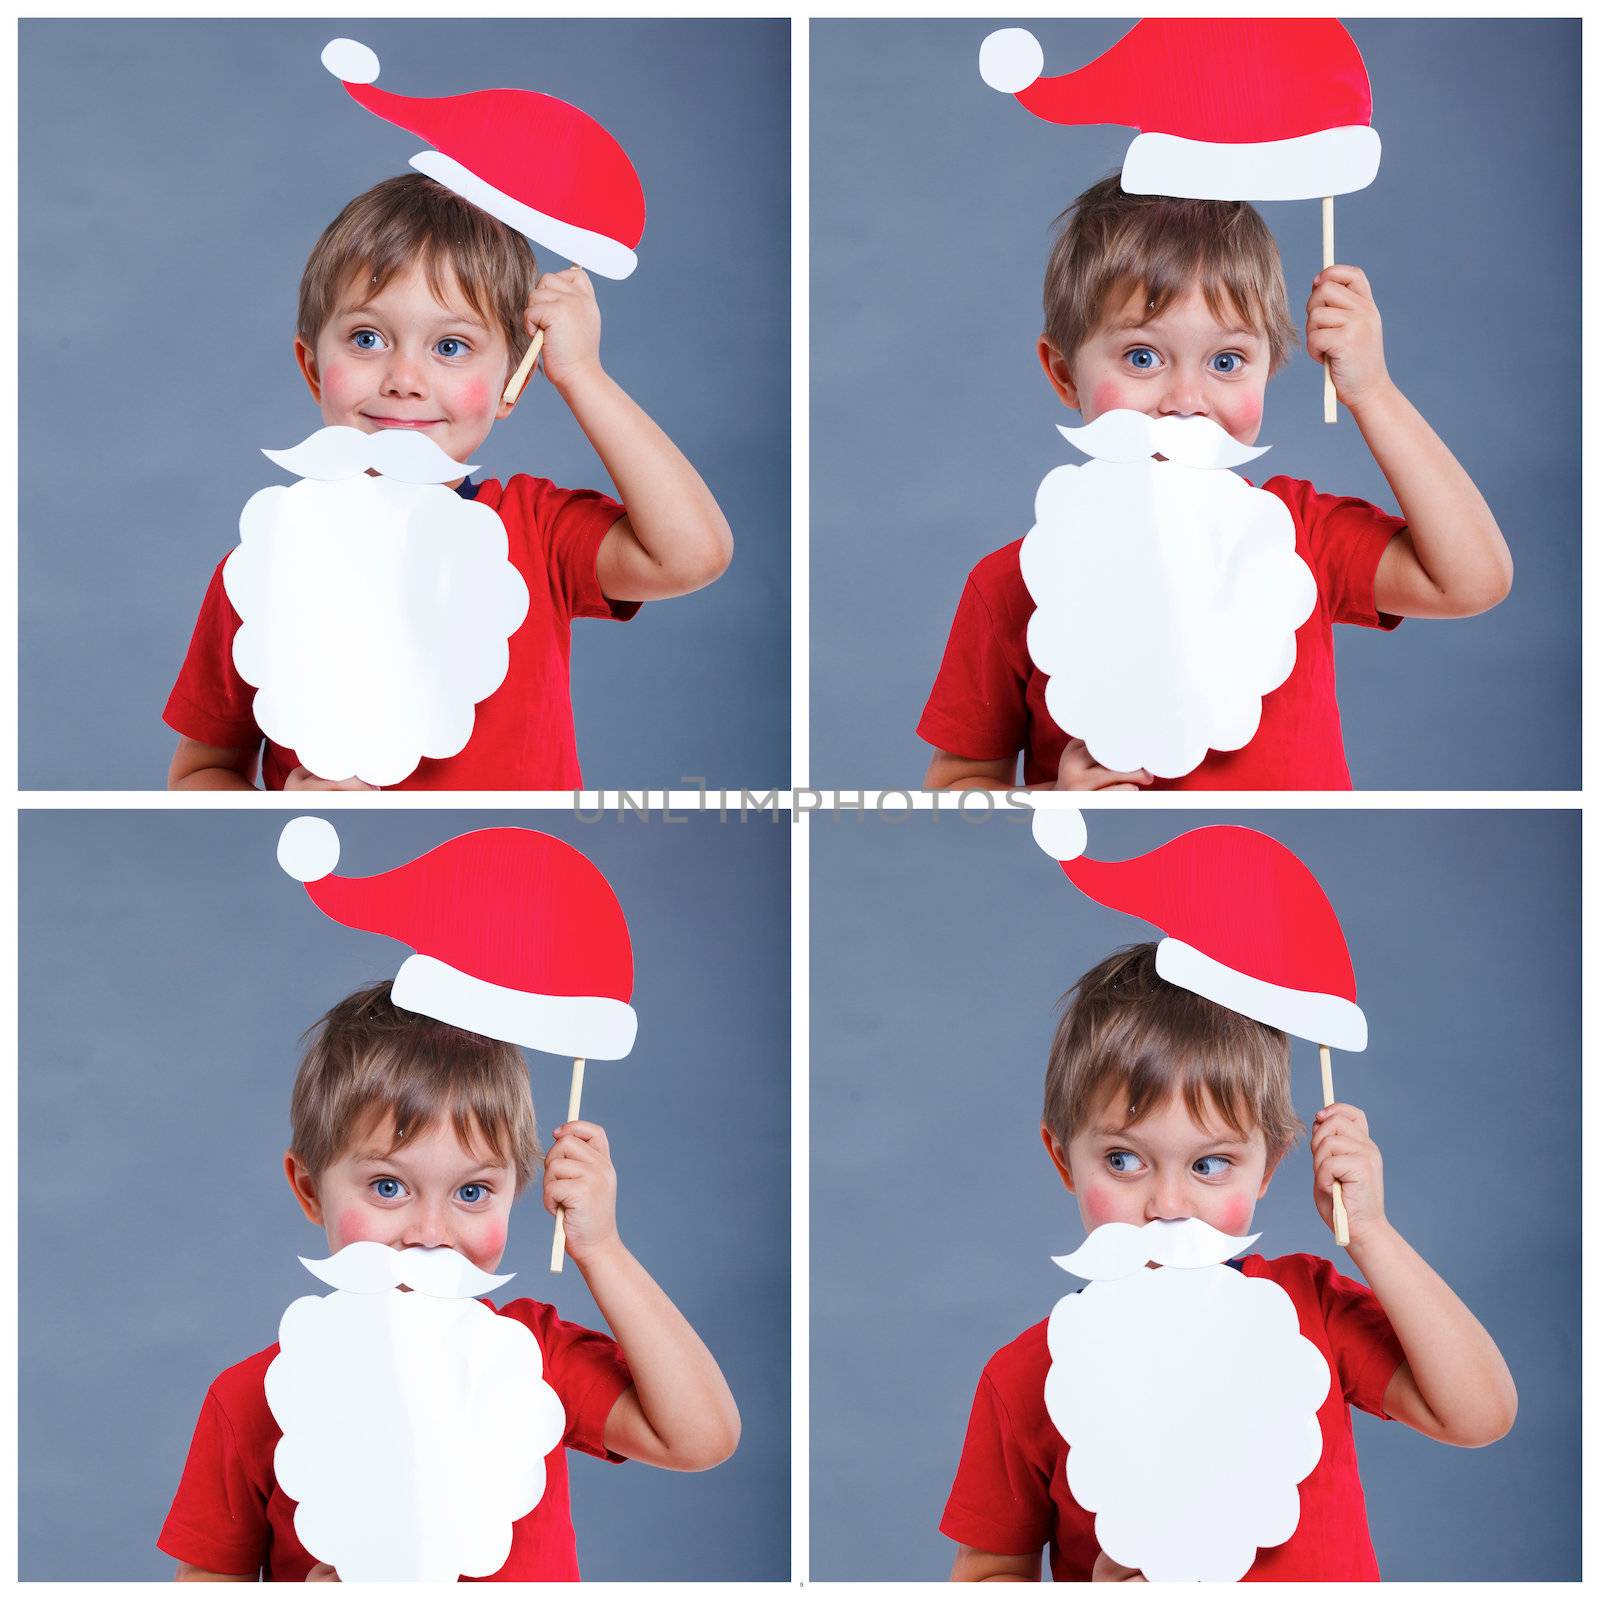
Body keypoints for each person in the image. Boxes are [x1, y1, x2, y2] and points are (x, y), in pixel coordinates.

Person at [941, 944, 1516, 1581]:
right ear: (1062, 1159)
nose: (1167, 1205)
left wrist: (1371, 1233)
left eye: (1210, 1165)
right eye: (1123, 1161)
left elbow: (1478, 1415)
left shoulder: (1306, 1311)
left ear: (1268, 1166)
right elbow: (985, 1574)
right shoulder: (1025, 1375)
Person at [919, 175, 1512, 790]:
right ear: (1065, 374)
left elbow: (1470, 581)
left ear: (1268, 370)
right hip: (1111, 884)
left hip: (1291, 880)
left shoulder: (1298, 534)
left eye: (1226, 362)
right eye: (1142, 357)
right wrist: (1051, 801)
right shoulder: (1012, 582)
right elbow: (955, 787)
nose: (1184, 402)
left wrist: (1373, 391)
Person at [164, 175, 732, 790]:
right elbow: (201, 770)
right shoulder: (265, 564)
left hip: (512, 873)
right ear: (312, 369)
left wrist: (581, 373)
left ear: (512, 380)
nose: (405, 377)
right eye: (367, 338)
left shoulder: (534, 532)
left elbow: (692, 555)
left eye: (452, 346)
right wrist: (282, 813)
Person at [159, 983, 740, 1580]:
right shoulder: (253, 1395)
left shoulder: (531, 1357)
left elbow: (701, 1437)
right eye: (388, 1187)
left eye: (471, 1192)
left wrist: (602, 1248)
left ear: (516, 1194)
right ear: (310, 1189)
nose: (430, 1233)